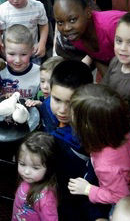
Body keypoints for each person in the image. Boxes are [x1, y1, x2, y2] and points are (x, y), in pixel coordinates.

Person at [43, 60, 110, 220]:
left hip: (78, 193)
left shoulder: (92, 132)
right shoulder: (46, 108)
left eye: (71, 103)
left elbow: (98, 179)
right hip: (52, 185)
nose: (62, 110)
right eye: (57, 100)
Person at [68, 84, 130, 206]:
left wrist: (88, 189)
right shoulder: (117, 128)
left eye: (74, 115)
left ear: (88, 128)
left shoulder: (105, 166)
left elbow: (120, 197)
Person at [12, 131, 58, 220]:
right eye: (22, 164)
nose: (26, 172)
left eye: (35, 168)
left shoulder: (46, 199)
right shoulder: (27, 179)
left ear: (49, 167)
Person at [0, 24, 40, 99]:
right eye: (12, 54)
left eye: (23, 54)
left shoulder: (39, 73)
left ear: (32, 50)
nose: (18, 60)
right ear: (3, 50)